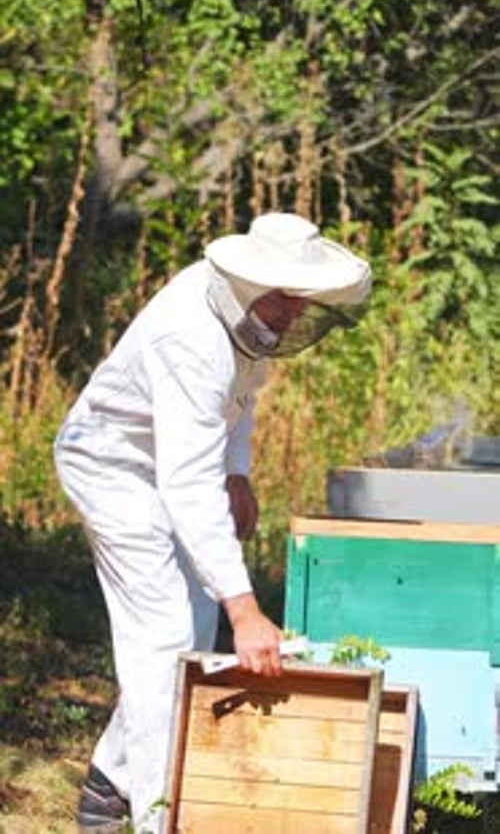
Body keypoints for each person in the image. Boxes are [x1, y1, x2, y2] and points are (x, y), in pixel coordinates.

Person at [54, 211, 371, 833]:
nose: (291, 314)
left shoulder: (247, 317)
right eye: (284, 301)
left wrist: (239, 472)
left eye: (300, 302)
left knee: (191, 630)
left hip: (171, 465)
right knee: (166, 634)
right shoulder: (189, 336)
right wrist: (246, 610)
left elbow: (240, 392)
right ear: (252, 283)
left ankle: (107, 784)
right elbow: (186, 484)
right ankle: (154, 815)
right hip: (112, 465)